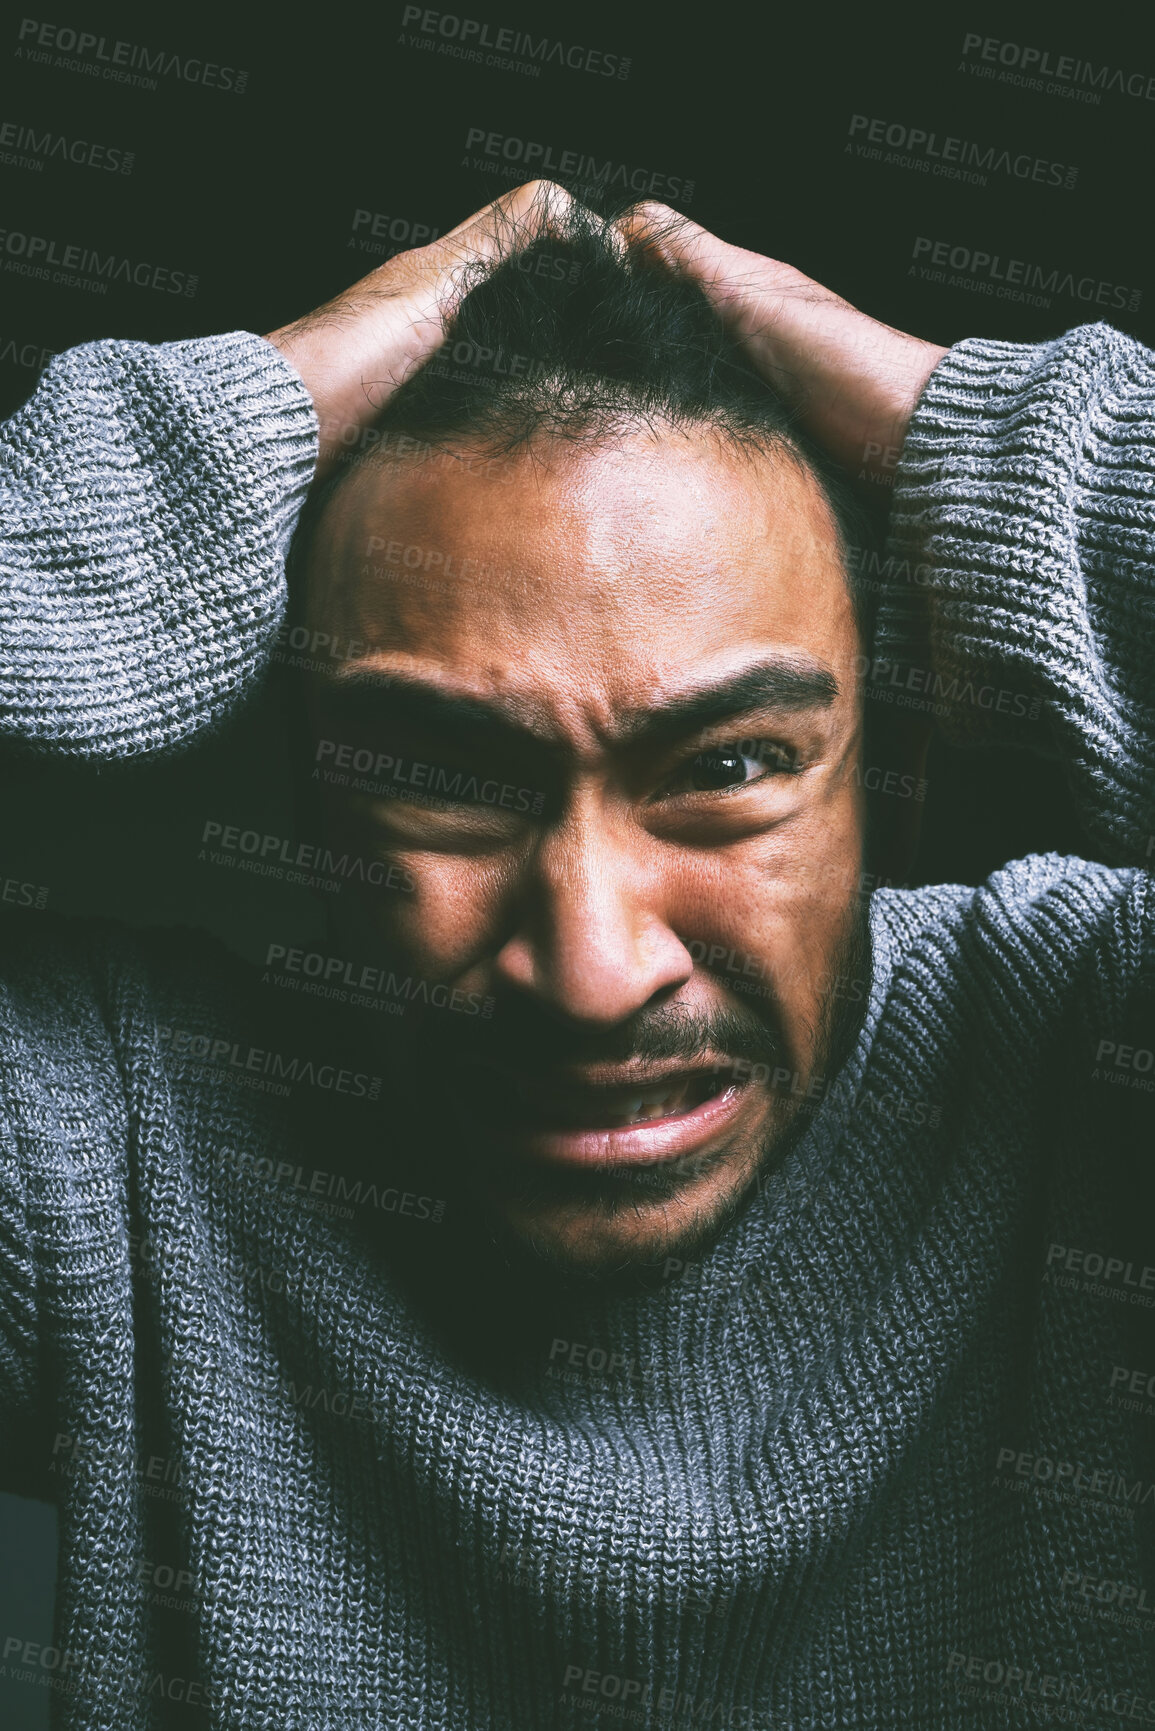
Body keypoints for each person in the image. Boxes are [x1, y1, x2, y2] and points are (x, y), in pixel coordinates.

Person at [1, 179, 1152, 1729]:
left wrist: (990, 439)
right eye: (446, 781)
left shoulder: (1094, 1068)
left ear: (897, 779)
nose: (597, 973)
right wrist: (176, 458)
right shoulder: (103, 1150)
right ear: (309, 809)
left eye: (732, 766)